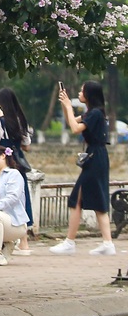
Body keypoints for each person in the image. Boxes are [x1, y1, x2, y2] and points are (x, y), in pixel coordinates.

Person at [50, 81, 115, 256]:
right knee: (93, 201)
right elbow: (72, 120)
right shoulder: (93, 113)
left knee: (77, 199)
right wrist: (66, 106)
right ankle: (107, 243)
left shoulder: (95, 113)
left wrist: (69, 107)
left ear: (89, 94)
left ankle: (70, 242)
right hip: (96, 156)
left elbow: (75, 128)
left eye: (82, 90)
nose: (79, 93)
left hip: (95, 157)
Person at [0, 87, 33, 252]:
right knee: (20, 199)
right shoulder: (21, 120)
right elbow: (27, 146)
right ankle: (24, 242)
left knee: (1, 197)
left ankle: (3, 239)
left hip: (3, 163)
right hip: (18, 164)